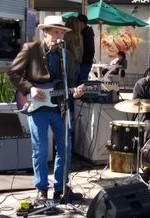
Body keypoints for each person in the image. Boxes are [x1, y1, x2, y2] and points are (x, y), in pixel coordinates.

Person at [7, 15, 85, 203]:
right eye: (56, 32)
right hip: (37, 107)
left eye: (62, 32)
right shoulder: (30, 49)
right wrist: (30, 88)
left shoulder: (66, 56)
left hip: (59, 107)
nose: (60, 36)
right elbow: (13, 73)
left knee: (65, 148)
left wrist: (74, 92)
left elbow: (70, 84)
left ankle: (60, 188)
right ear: (45, 32)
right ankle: (41, 189)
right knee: (40, 150)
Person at [64, 16, 83, 85]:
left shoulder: (67, 35)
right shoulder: (80, 36)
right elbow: (81, 51)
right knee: (74, 86)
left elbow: (63, 49)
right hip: (77, 63)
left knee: (68, 85)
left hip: (69, 63)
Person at [77, 13, 95, 85]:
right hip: (85, 62)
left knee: (81, 84)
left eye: (77, 23)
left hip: (84, 62)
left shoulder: (86, 34)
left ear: (82, 23)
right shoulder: (87, 32)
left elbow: (89, 50)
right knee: (81, 83)